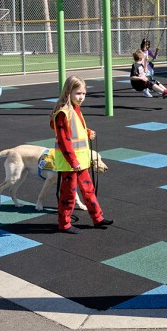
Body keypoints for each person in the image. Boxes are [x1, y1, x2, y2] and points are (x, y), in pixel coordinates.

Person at [49, 76, 113, 234]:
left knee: (88, 189)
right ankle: (64, 224)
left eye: (84, 94)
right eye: (78, 93)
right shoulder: (63, 113)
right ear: (68, 92)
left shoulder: (75, 109)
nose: (81, 97)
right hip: (70, 163)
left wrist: (88, 132)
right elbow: (64, 140)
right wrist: (73, 161)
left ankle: (97, 218)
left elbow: (76, 131)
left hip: (81, 161)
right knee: (68, 193)